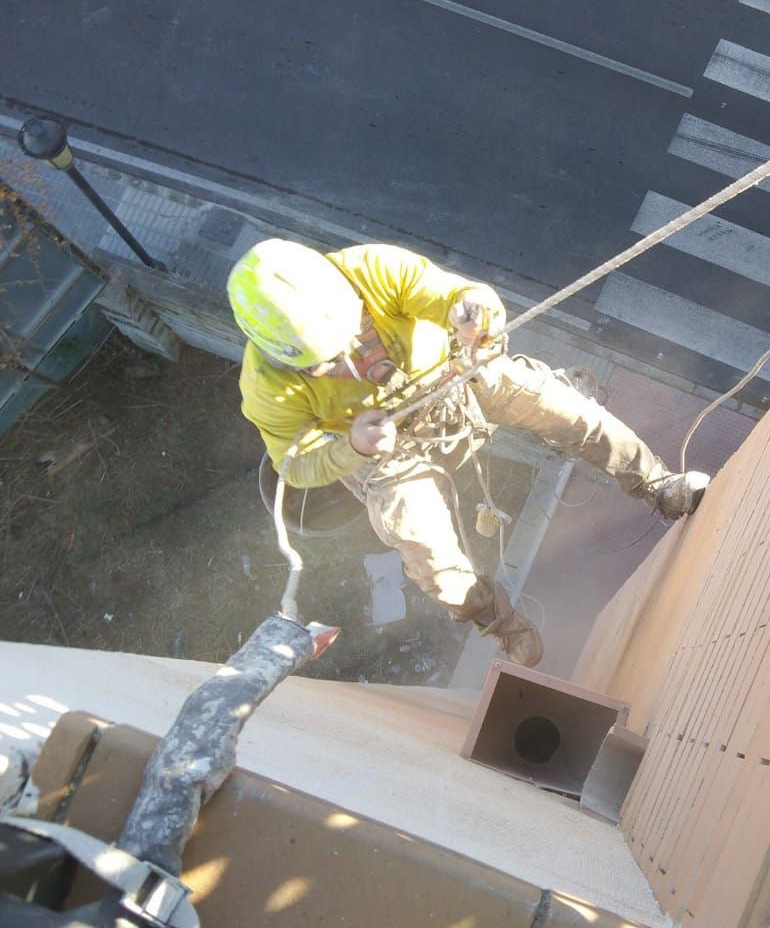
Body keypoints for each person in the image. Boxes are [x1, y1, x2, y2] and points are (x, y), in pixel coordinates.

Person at [228, 239, 708, 668]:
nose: (353, 364)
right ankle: (496, 620)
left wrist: (475, 315)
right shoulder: (266, 389)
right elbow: (293, 463)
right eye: (329, 364)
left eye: (353, 339)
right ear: (283, 358)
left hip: (456, 379)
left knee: (570, 412)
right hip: (386, 453)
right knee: (424, 551)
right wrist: (351, 447)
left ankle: (659, 485)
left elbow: (455, 297)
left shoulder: (373, 268)